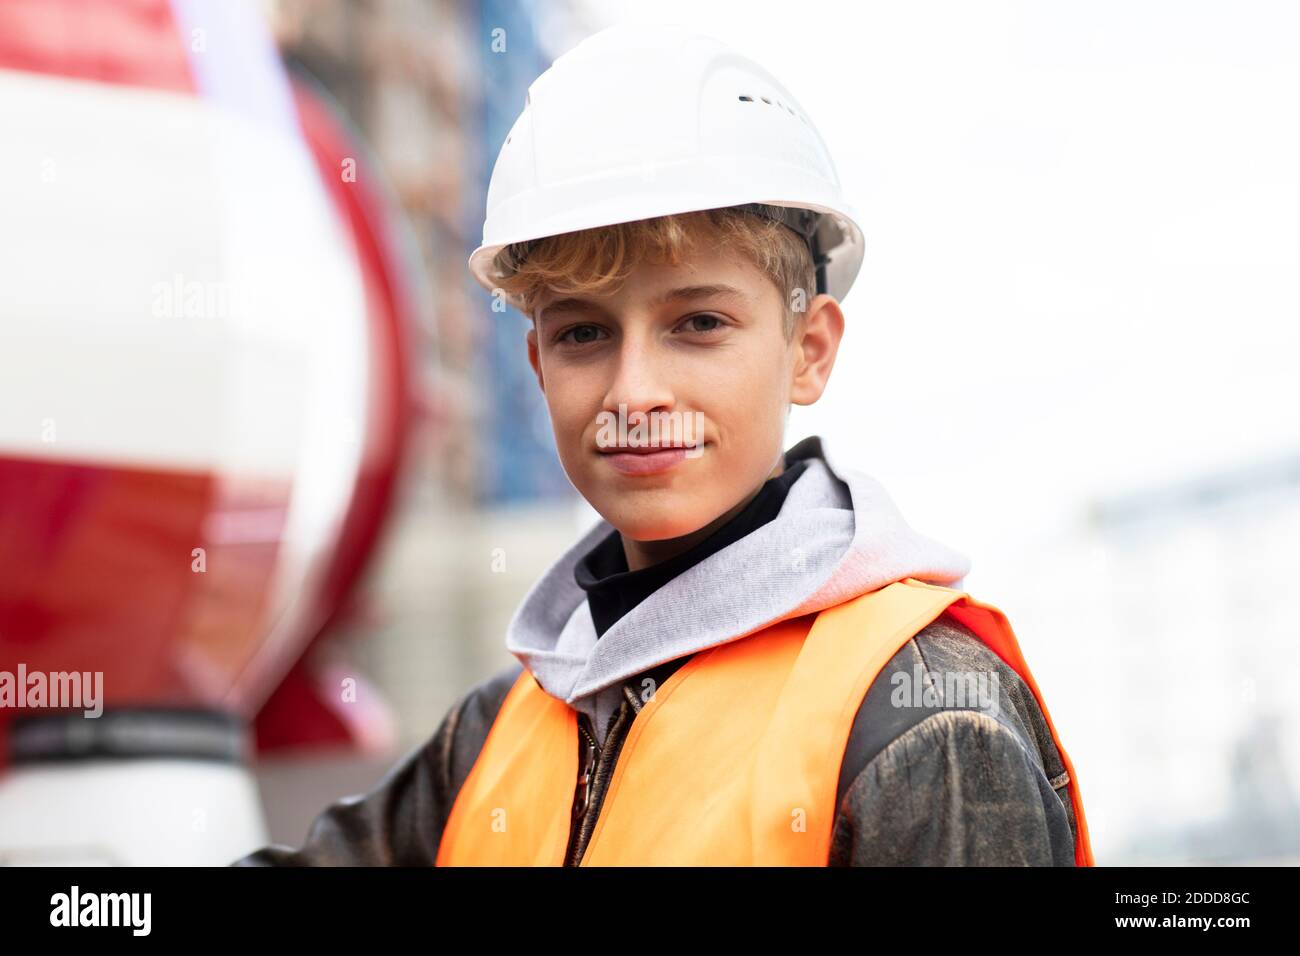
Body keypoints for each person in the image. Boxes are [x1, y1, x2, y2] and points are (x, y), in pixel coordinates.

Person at [233, 22, 1094, 867]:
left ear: (809, 350)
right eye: (583, 334)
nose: (634, 391)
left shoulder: (922, 719)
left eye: (699, 323)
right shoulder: (498, 736)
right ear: (536, 363)